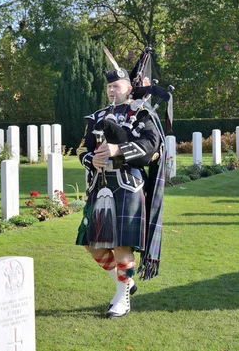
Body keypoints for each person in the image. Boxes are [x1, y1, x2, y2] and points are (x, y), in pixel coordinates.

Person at [75, 49, 167, 318]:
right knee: (92, 244)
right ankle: (126, 280)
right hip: (100, 185)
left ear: (129, 89)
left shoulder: (143, 114)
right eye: (109, 87)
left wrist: (118, 151)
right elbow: (82, 148)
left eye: (116, 86)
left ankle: (121, 297)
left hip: (128, 186)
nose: (111, 91)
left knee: (121, 247)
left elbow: (153, 147)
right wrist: (92, 159)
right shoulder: (96, 116)